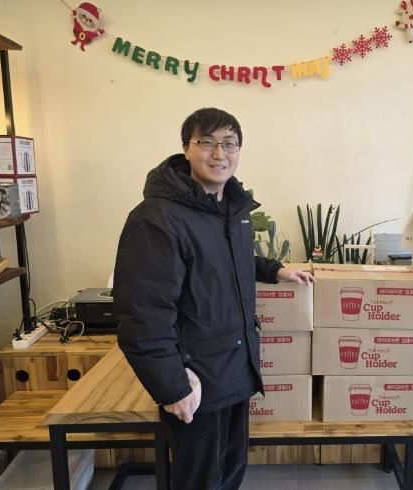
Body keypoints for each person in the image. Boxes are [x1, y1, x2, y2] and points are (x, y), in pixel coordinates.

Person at [113, 107, 313, 490]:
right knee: (200, 481)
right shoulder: (157, 218)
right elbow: (142, 316)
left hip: (235, 368)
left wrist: (274, 270)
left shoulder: (230, 210)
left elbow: (228, 259)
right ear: (186, 149)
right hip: (196, 380)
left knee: (230, 471)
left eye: (229, 144)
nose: (219, 153)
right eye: (206, 142)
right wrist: (172, 387)